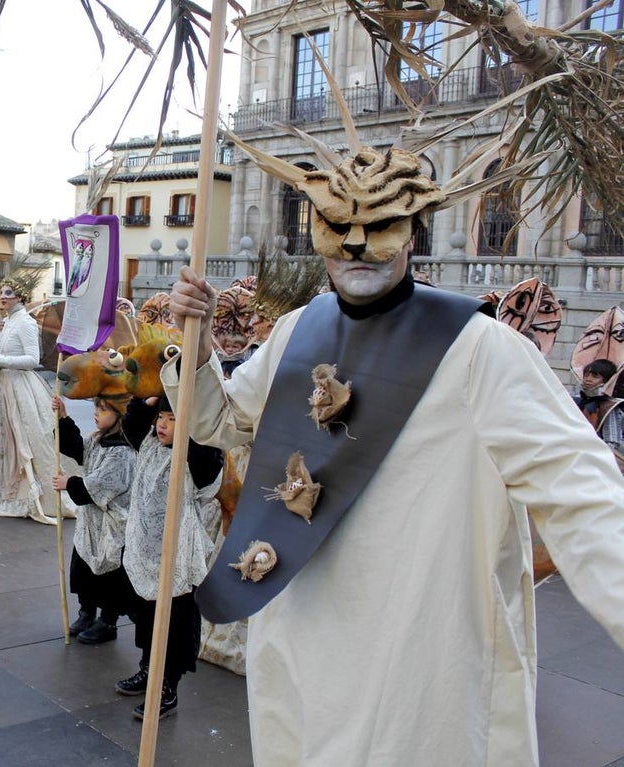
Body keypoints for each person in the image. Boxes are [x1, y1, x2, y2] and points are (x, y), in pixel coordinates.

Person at [165, 144, 624, 764]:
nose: (355, 244)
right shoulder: (298, 329)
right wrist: (195, 353)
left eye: (379, 224)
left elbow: (578, 485)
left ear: (413, 234)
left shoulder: (481, 348)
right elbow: (222, 420)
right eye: (338, 225)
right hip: (303, 623)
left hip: (417, 636)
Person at [112, 395, 222, 721]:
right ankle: (149, 670)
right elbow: (132, 424)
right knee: (147, 621)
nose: (162, 424)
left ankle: (167, 687)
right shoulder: (147, 443)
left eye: (172, 418)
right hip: (145, 551)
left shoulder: (193, 459)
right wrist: (144, 402)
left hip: (175, 557)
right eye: (161, 416)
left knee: (172, 627)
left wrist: (192, 421)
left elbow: (209, 459)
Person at [0, 278, 60, 525]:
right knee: (3, 440)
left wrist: (0, 359)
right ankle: (1, 488)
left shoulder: (26, 323)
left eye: (9, 293)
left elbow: (33, 359)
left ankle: (24, 491)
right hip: (0, 387)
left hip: (19, 388)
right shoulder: (5, 322)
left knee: (22, 440)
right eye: (2, 293)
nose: (3, 297)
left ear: (20, 297)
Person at [51, 393, 135, 645]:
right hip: (91, 523)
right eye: (96, 409)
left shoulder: (123, 452)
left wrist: (71, 483)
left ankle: (107, 622)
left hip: (111, 524)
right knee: (84, 566)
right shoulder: (99, 440)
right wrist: (63, 418)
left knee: (109, 574)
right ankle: (86, 612)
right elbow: (79, 449)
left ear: (120, 415)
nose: (97, 414)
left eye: (104, 410)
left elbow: (103, 483)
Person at [575, 357, 624, 462]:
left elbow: (612, 443)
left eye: (595, 376)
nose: (588, 379)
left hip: (597, 459)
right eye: (586, 375)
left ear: (607, 380)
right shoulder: (575, 400)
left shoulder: (609, 407)